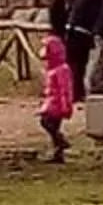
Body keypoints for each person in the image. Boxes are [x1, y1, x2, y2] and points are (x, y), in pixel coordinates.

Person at [63, 0, 103, 104]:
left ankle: (72, 92)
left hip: (70, 31)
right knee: (80, 65)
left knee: (72, 64)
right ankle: (77, 92)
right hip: (82, 34)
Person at [38, 31, 75, 162]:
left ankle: (60, 142)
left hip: (57, 104)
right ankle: (58, 152)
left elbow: (65, 89)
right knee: (48, 123)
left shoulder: (61, 70)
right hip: (52, 102)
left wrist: (66, 106)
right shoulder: (53, 69)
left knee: (47, 122)